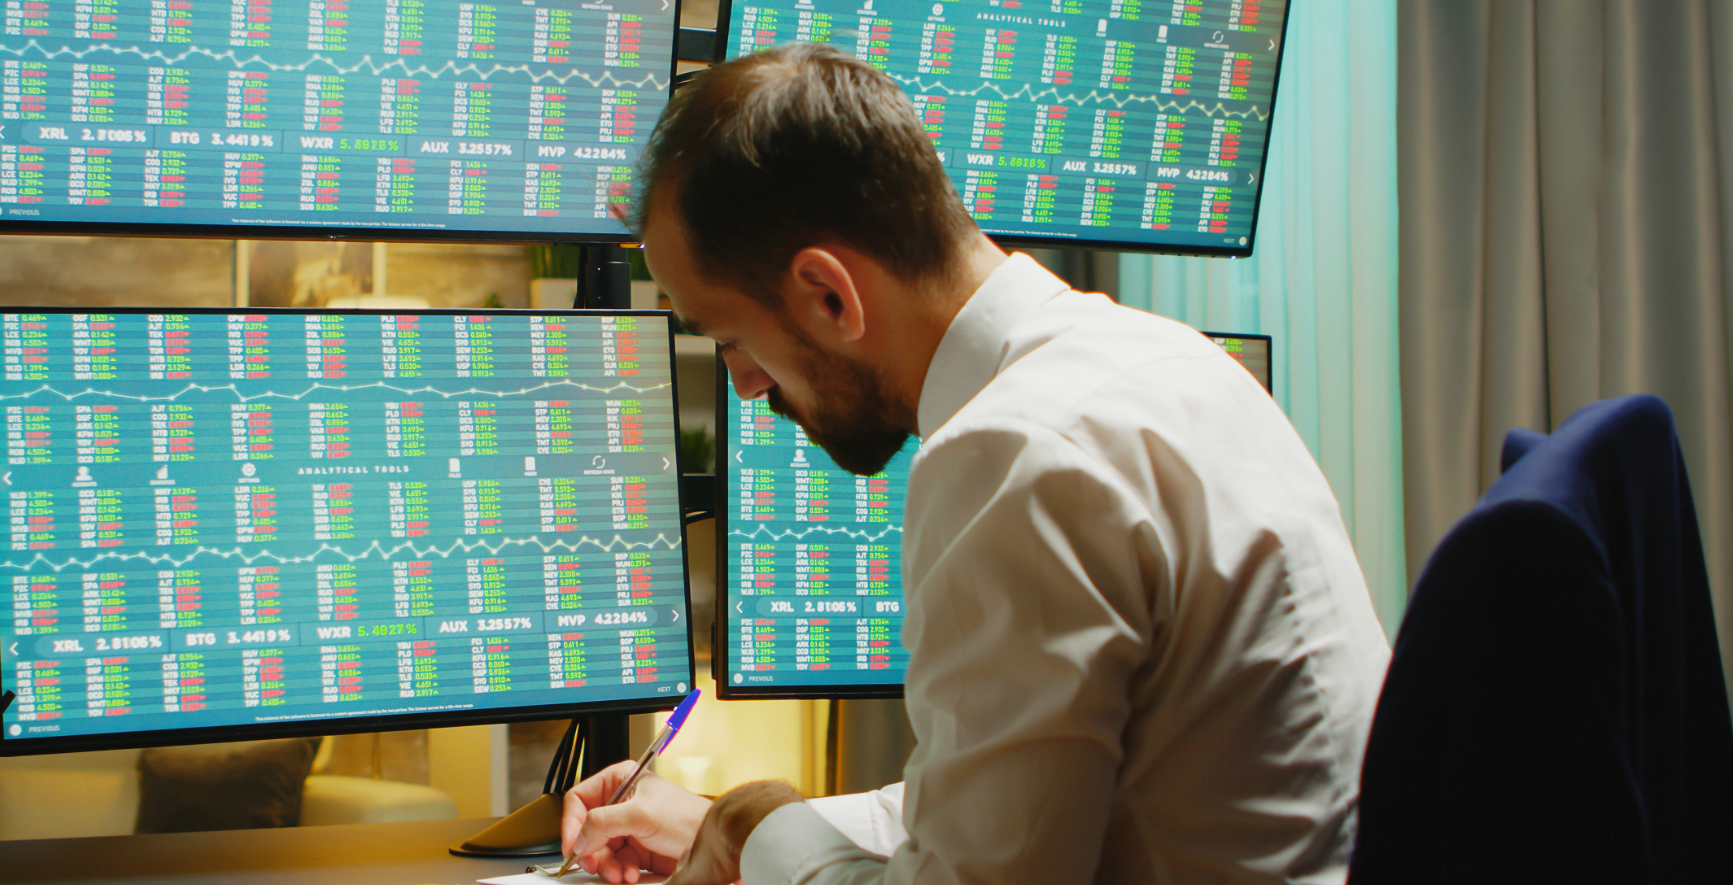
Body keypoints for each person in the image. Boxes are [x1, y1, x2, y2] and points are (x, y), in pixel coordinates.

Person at [562, 43, 1392, 885]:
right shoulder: (1169, 363)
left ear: (828, 295)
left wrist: (761, 825)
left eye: (731, 338)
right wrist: (727, 820)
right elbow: (1007, 802)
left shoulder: (1017, 456)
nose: (742, 387)